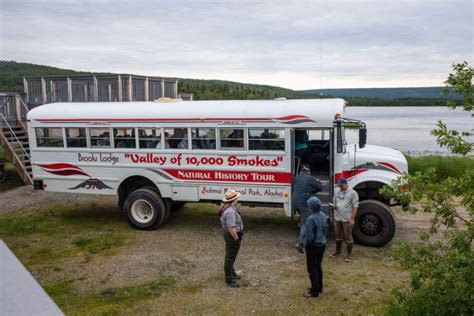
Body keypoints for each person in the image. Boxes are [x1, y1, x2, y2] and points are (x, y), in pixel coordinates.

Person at [299, 196, 327, 298]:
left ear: (311, 206)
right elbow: (326, 229)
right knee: (318, 266)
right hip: (322, 244)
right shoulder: (323, 215)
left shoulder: (311, 219)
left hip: (313, 246)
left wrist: (304, 244)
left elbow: (310, 237)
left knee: (312, 269)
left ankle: (314, 291)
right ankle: (319, 287)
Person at [292, 164, 323, 253]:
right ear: (308, 171)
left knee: (302, 217)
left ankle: (301, 231)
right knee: (305, 222)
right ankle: (300, 242)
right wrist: (318, 181)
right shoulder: (311, 178)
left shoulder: (297, 177)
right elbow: (319, 188)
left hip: (295, 201)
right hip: (304, 203)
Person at [218, 189, 244, 288]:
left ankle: (232, 273)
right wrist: (236, 239)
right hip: (232, 236)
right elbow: (232, 228)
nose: (237, 199)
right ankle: (229, 279)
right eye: (236, 198)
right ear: (233, 200)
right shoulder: (230, 212)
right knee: (230, 257)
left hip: (229, 235)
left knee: (231, 256)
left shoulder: (227, 207)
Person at [330, 178, 359, 262]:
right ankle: (338, 251)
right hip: (337, 217)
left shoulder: (353, 193)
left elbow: (355, 206)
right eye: (339, 186)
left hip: (347, 218)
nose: (340, 187)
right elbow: (334, 202)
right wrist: (334, 206)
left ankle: (349, 255)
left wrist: (352, 219)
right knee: (338, 235)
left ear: (346, 184)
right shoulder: (337, 191)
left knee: (348, 236)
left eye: (342, 185)